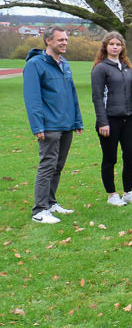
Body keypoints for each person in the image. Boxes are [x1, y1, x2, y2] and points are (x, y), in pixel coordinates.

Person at [23, 26, 83, 223]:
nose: (65, 42)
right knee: (47, 165)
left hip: (66, 125)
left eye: (66, 39)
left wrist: (77, 121)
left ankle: (51, 202)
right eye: (60, 40)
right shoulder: (35, 65)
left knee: (58, 166)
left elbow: (72, 95)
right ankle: (39, 210)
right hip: (49, 126)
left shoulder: (65, 64)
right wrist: (37, 126)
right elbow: (32, 99)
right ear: (48, 41)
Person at [91, 32, 132, 207]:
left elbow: (131, 96)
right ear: (105, 46)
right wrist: (103, 122)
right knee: (110, 158)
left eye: (118, 44)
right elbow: (97, 98)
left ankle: (128, 192)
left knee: (131, 157)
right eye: (111, 44)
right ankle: (112, 194)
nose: (115, 47)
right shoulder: (100, 68)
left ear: (122, 47)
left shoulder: (127, 67)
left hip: (128, 120)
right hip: (109, 121)